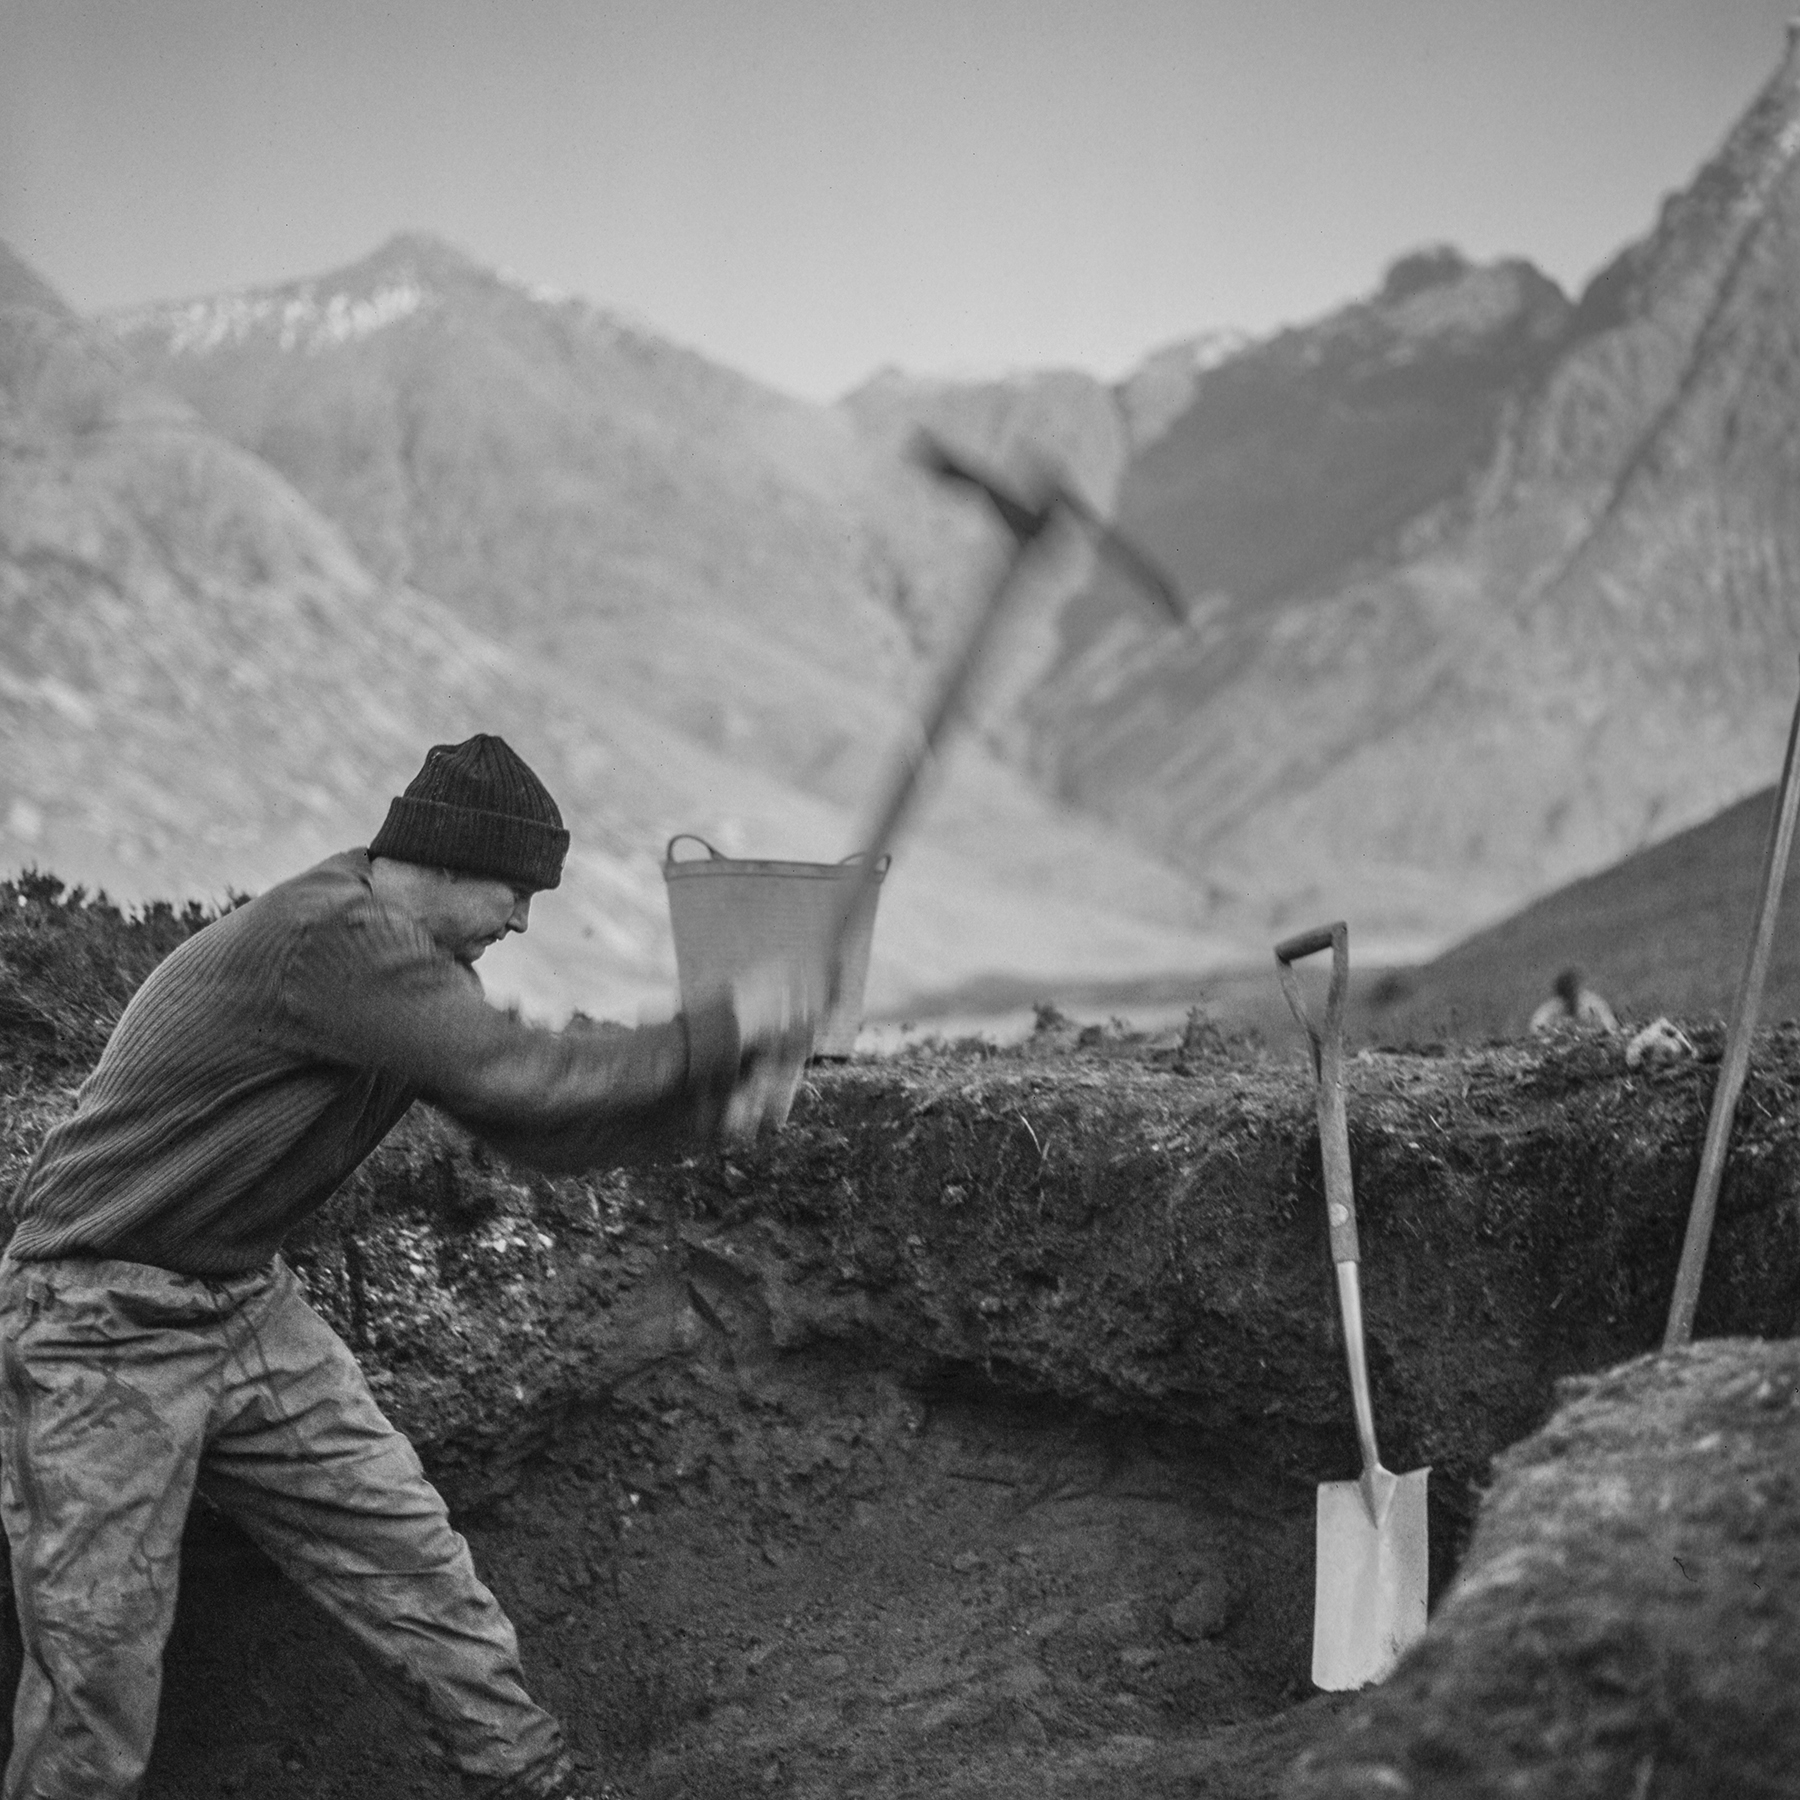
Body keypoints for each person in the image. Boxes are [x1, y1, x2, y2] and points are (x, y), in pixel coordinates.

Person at [0, 734, 812, 1800]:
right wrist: (721, 1029)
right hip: (100, 1315)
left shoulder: (417, 969)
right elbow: (523, 1079)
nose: (523, 921)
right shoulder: (335, 936)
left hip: (242, 1303)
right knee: (93, 1667)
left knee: (412, 1563)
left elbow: (526, 1127)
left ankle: (528, 1778)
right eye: (516, 890)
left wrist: (705, 1107)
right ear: (446, 856)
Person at [1529, 965, 1618, 1035]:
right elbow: (1536, 1027)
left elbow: (1610, 1025)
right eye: (1566, 994)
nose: (1569, 997)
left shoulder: (1593, 1005)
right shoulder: (1550, 1010)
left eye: (1572, 991)